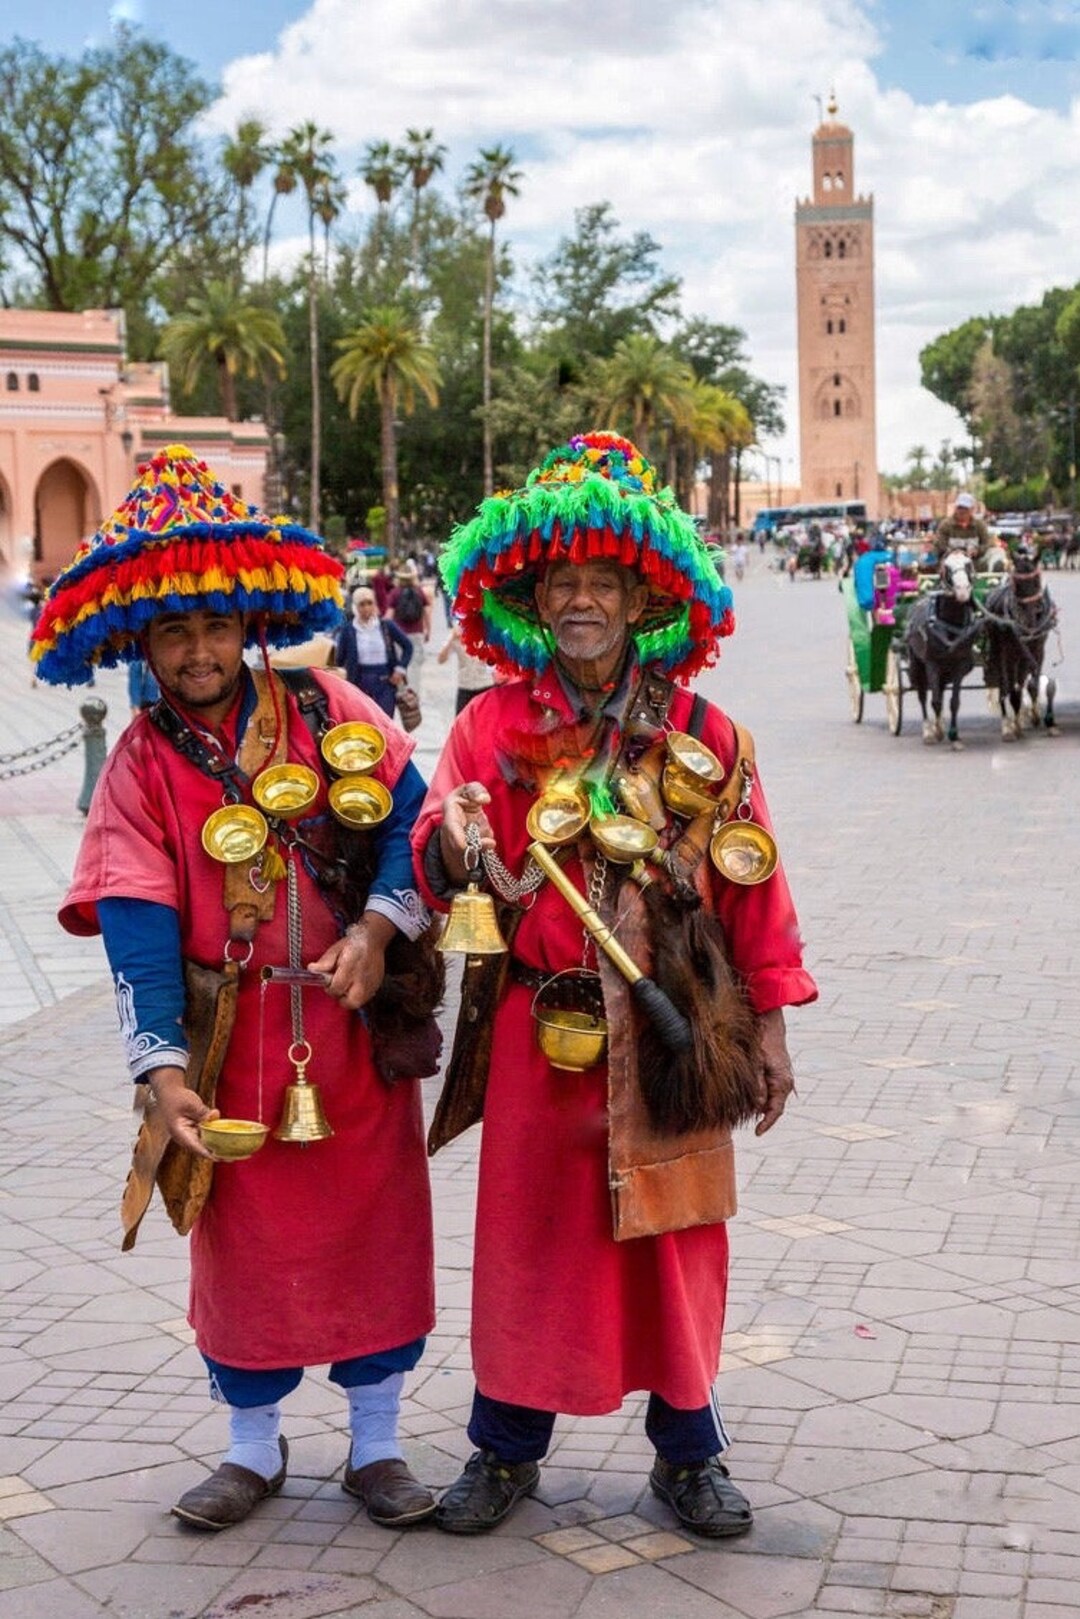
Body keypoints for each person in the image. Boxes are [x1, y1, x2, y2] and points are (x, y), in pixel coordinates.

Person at [411, 431, 817, 1539]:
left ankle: (690, 1454)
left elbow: (757, 893)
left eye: (602, 579)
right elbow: (434, 849)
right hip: (546, 1030)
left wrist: (768, 1030)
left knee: (677, 1243)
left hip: (680, 1033)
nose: (581, 598)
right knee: (530, 1243)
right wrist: (449, 841)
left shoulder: (703, 735)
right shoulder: (487, 726)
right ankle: (503, 1449)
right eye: (561, 581)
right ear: (536, 593)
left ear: (643, 594)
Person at [31, 447, 439, 1534]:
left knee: (376, 1221)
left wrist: (379, 926)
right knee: (240, 1237)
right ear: (141, 642)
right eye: (174, 631)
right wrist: (159, 1066)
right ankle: (250, 1446)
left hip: (350, 1032)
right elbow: (133, 914)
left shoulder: (329, 701)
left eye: (214, 623)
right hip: (232, 1044)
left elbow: (416, 818)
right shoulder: (139, 761)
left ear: (246, 620)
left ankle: (380, 1441)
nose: (199, 649)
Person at [335, 585, 412, 716]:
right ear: (355, 607)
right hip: (359, 683)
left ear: (374, 604)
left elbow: (408, 646)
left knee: (385, 722)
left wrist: (400, 669)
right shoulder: (348, 630)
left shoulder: (386, 626)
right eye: (362, 604)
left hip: (385, 682)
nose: (366, 608)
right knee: (365, 723)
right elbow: (339, 659)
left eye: (369, 603)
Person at [387, 560, 432, 688]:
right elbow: (426, 613)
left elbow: (389, 616)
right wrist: (428, 631)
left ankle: (402, 692)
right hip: (417, 633)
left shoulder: (395, 593)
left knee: (401, 664)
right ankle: (414, 694)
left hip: (399, 635)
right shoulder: (419, 591)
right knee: (415, 667)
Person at [436, 621, 493, 713]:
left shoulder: (485, 633)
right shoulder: (456, 637)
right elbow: (440, 660)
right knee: (461, 721)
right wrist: (451, 639)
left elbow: (493, 660)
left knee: (486, 722)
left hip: (484, 684)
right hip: (465, 685)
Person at [934, 493, 990, 562]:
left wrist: (977, 551)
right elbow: (939, 543)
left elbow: (986, 543)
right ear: (955, 508)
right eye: (960, 507)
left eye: (965, 508)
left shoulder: (979, 525)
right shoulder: (946, 525)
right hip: (952, 562)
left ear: (972, 509)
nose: (962, 511)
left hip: (975, 562)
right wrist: (951, 552)